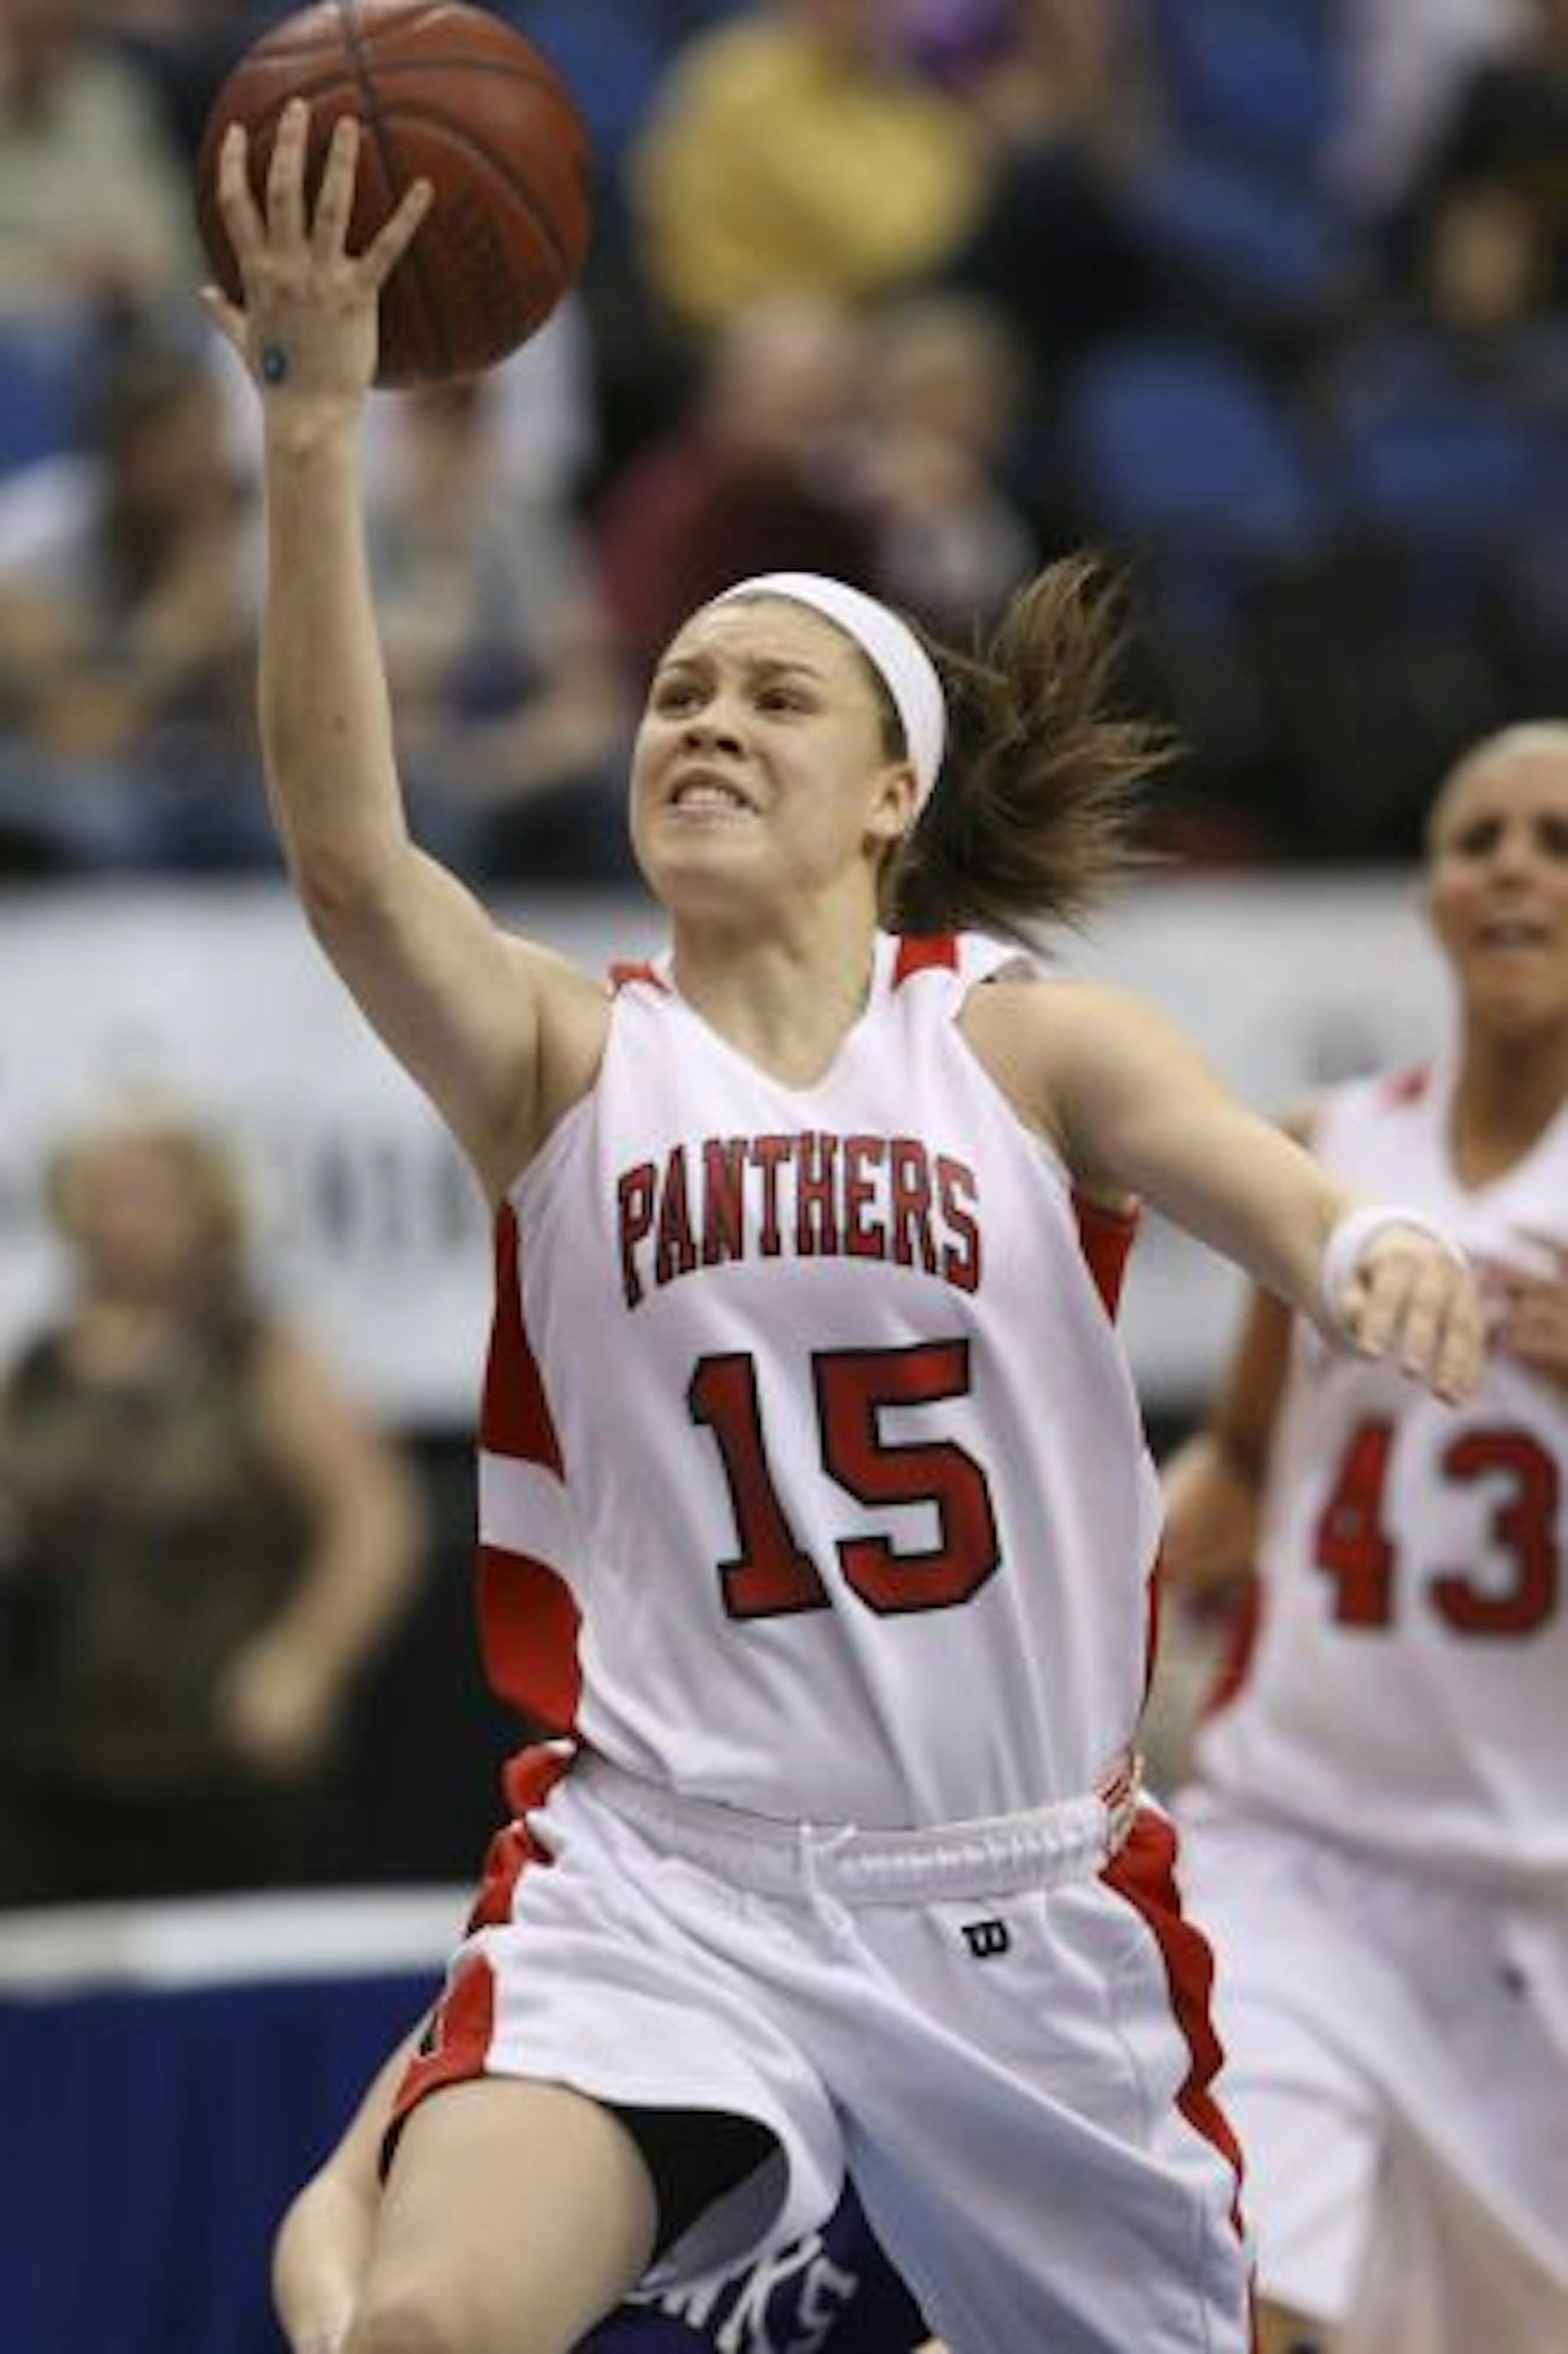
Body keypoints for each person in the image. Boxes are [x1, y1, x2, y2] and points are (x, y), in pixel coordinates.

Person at [202, 98, 1484, 2354]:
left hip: (1019, 1899)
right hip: (672, 1874)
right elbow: (346, 856)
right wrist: (315, 429)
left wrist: (1348, 1248)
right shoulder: (563, 1059)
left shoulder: (1012, 1044)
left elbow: (1237, 1161)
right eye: (679, 690)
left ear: (891, 795)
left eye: (771, 694)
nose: (705, 718)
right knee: (418, 2323)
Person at [1160, 722, 1568, 2352]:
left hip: (1540, 1899)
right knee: (1202, 2296)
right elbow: (1250, 1456)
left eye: (1556, 837)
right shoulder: (1327, 1150)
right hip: (1304, 1853)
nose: (1517, 867)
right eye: (1480, 838)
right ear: (1429, 895)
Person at [0, 1097, 425, 1905]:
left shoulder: (255, 1355)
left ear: (203, 1209)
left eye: (145, 1195)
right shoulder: (39, 1370)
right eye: (103, 1194)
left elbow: (374, 1517)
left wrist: (306, 1660)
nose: (120, 1220)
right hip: (57, 1762)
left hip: (218, 1759)